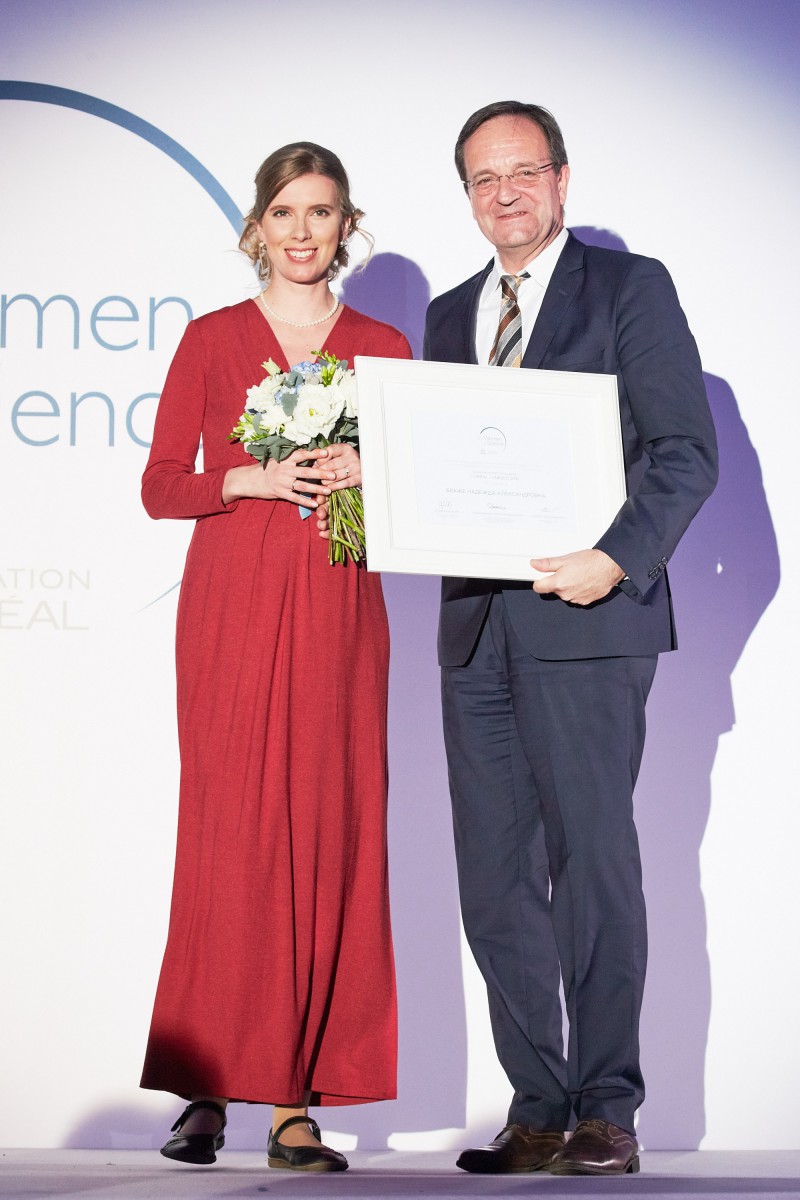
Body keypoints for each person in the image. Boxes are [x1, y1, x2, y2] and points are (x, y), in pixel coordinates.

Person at [423, 101, 718, 1176]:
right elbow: (444, 461)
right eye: (482, 178)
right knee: (493, 880)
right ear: (466, 194)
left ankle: (605, 1109)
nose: (503, 193)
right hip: (475, 629)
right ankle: (536, 1107)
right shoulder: (448, 314)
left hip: (587, 619)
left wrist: (616, 558)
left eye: (523, 171)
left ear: (559, 179)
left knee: (591, 865)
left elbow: (684, 452)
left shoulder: (629, 288)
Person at [140, 142, 412, 1173]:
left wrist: (371, 471)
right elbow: (161, 485)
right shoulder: (212, 339)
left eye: (323, 212)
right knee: (231, 839)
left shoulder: (383, 345)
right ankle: (208, 1080)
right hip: (234, 607)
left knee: (327, 836)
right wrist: (247, 480)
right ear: (257, 227)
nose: (304, 232)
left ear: (347, 227)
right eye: (287, 212)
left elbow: (423, 493)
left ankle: (293, 1101)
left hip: (340, 610)